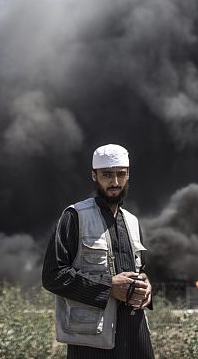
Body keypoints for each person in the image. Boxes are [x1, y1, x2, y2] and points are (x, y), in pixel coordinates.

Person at [42, 144, 155, 359]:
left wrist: (147, 289)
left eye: (121, 174)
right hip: (92, 339)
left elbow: (142, 270)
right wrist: (108, 287)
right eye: (107, 175)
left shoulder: (132, 222)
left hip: (135, 334)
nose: (114, 182)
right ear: (94, 176)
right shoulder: (74, 216)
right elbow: (52, 276)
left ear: (128, 175)